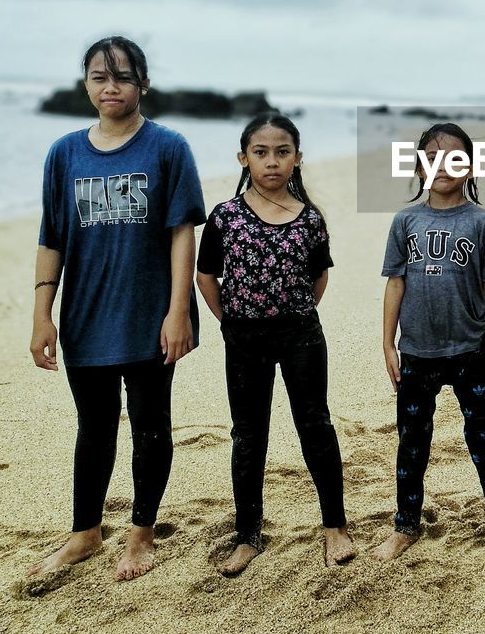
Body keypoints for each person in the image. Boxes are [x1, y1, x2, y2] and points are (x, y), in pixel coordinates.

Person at [27, 36, 205, 581]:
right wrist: (41, 313)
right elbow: (52, 236)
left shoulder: (167, 146)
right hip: (86, 314)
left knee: (152, 425)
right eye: (100, 77)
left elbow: (182, 233)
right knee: (94, 426)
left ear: (142, 84)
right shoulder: (64, 153)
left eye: (123, 77)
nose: (111, 87)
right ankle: (85, 533)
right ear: (86, 83)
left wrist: (179, 311)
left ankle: (141, 533)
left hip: (150, 313)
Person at [195, 113, 354, 575]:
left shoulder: (310, 219)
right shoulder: (225, 217)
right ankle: (248, 534)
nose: (271, 161)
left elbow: (319, 274)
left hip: (301, 334)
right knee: (248, 434)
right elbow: (206, 275)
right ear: (243, 158)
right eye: (260, 152)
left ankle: (334, 525)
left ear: (298, 159)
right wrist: (229, 319)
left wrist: (296, 310)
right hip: (244, 338)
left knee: (315, 425)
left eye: (282, 152)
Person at [373, 123, 485, 569]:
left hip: (469, 349)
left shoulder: (481, 221)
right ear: (419, 165)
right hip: (417, 352)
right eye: (433, 157)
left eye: (454, 157)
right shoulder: (406, 221)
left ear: (471, 166)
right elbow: (395, 283)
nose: (443, 166)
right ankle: (406, 524)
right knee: (412, 441)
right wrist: (388, 343)